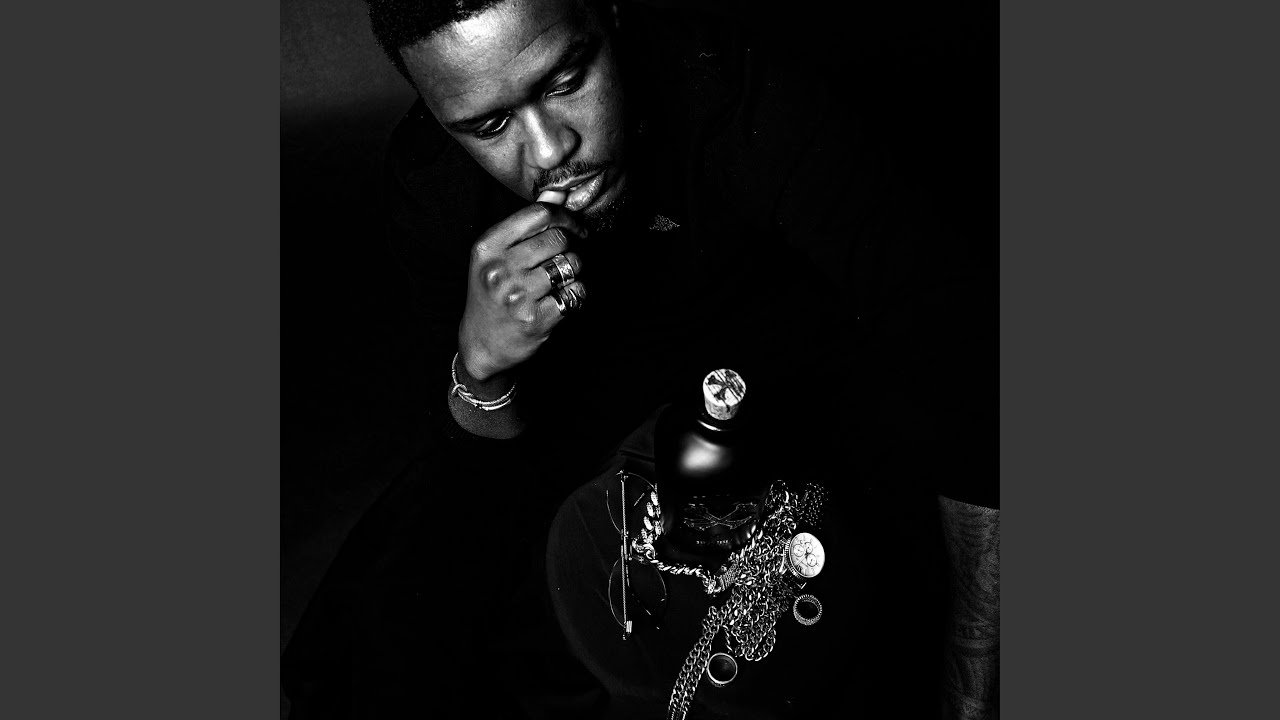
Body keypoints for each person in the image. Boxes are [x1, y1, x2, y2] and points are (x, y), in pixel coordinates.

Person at [281, 0, 998, 718]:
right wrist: (483, 365)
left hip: (791, 389)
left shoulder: (739, 92)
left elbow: (958, 347)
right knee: (393, 641)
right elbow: (472, 463)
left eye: (565, 81)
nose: (550, 150)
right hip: (583, 418)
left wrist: (966, 693)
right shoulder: (430, 185)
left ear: (612, 13)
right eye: (490, 127)